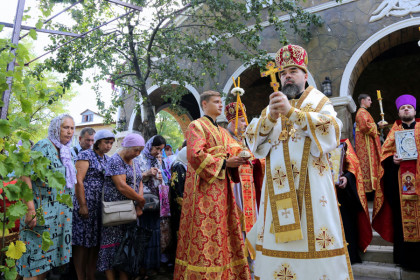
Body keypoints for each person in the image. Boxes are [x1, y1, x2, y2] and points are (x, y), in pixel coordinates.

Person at [245, 45, 352, 279]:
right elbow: (252, 142)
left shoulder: (319, 101)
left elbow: (333, 130)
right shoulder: (271, 107)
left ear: (305, 74)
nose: (287, 76)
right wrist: (270, 118)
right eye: (283, 72)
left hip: (311, 190)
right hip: (276, 191)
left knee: (313, 237)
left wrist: (294, 114)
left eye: (293, 70)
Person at [174, 90, 251, 280]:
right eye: (216, 102)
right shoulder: (196, 126)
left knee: (224, 230)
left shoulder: (223, 131)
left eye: (220, 102)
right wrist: (225, 163)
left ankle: (227, 273)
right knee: (206, 230)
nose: (220, 105)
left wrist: (238, 159)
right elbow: (194, 155)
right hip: (204, 191)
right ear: (204, 104)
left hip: (222, 188)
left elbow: (232, 152)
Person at [17, 114, 76, 279]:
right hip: (40, 214)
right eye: (66, 127)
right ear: (56, 128)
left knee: (46, 262)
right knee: (35, 263)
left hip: (58, 218)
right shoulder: (43, 146)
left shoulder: (66, 151)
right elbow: (25, 175)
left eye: (72, 128)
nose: (70, 132)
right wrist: (30, 209)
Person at [372, 94, 420, 271]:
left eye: (409, 107)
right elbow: (384, 157)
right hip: (401, 188)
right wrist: (393, 160)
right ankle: (405, 260)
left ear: (414, 110)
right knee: (403, 223)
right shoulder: (394, 131)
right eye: (402, 108)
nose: (406, 109)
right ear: (399, 113)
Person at [97, 133, 146, 279]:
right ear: (126, 147)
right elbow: (122, 186)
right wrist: (140, 200)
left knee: (126, 248)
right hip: (116, 212)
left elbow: (140, 182)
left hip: (130, 211)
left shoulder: (135, 161)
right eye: (135, 150)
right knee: (111, 248)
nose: (137, 154)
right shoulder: (115, 161)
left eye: (140, 151)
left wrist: (139, 202)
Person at [72, 130, 115, 280]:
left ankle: (91, 275)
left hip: (100, 206)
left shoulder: (107, 159)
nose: (109, 146)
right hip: (86, 202)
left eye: (111, 143)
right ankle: (80, 276)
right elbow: (78, 180)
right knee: (82, 242)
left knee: (96, 241)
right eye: (106, 142)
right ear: (97, 142)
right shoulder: (86, 155)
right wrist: (82, 205)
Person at [224, 102, 261, 235]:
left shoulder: (243, 141)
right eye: (242, 120)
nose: (246, 124)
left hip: (249, 189)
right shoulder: (225, 139)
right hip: (236, 190)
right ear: (233, 122)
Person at [334, 139, 372, 264]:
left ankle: (348, 256)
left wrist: (346, 178)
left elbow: (353, 167)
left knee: (346, 224)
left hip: (340, 193)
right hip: (322, 193)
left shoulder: (343, 143)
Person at [137, 135, 166, 279]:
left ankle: (153, 265)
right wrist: (147, 173)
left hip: (155, 201)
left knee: (155, 232)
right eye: (156, 149)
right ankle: (142, 267)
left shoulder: (156, 160)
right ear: (150, 145)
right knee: (143, 233)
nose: (158, 153)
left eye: (160, 150)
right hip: (142, 200)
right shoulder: (139, 157)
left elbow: (161, 179)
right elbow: (133, 177)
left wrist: (160, 178)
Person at [355, 94, 384, 194]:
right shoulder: (361, 112)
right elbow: (364, 127)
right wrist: (377, 125)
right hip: (365, 145)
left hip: (369, 144)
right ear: (363, 101)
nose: (371, 102)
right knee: (367, 165)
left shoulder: (365, 112)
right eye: (369, 99)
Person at [168, 146, 187, 264]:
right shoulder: (179, 166)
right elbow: (177, 187)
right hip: (179, 206)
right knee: (179, 231)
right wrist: (184, 204)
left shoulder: (183, 165)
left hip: (183, 204)